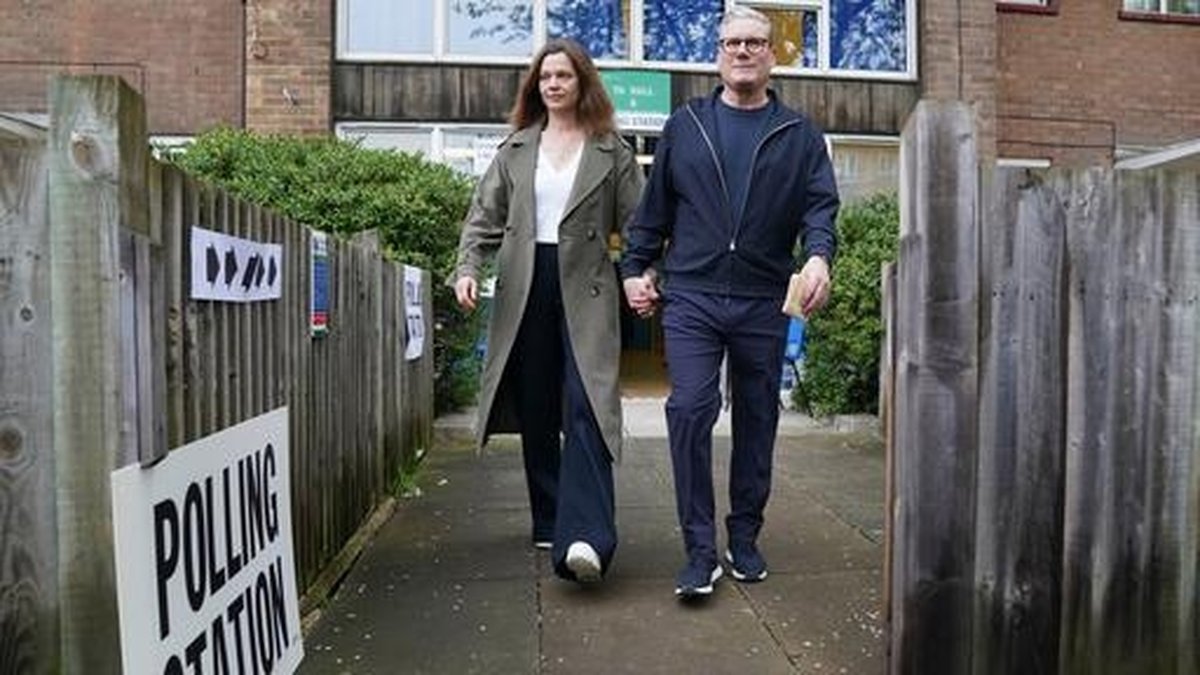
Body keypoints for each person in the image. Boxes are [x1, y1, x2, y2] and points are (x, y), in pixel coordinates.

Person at [620, 6, 839, 599]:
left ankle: (744, 535)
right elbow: (654, 211)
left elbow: (820, 209)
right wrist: (635, 268)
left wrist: (819, 257)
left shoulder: (799, 135)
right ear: (717, 54)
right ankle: (699, 550)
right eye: (732, 43)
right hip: (692, 295)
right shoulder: (685, 126)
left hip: (764, 299)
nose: (743, 51)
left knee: (758, 418)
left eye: (755, 43)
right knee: (690, 408)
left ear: (773, 55)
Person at [453, 39, 644, 585]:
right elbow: (482, 218)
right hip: (525, 284)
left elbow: (640, 224)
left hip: (589, 287)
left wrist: (643, 273)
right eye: (545, 77)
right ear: (535, 87)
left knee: (588, 404)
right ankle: (550, 515)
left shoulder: (612, 150)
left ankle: (588, 537)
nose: (554, 84)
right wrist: (468, 268)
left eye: (564, 75)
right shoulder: (516, 149)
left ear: (583, 82)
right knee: (536, 403)